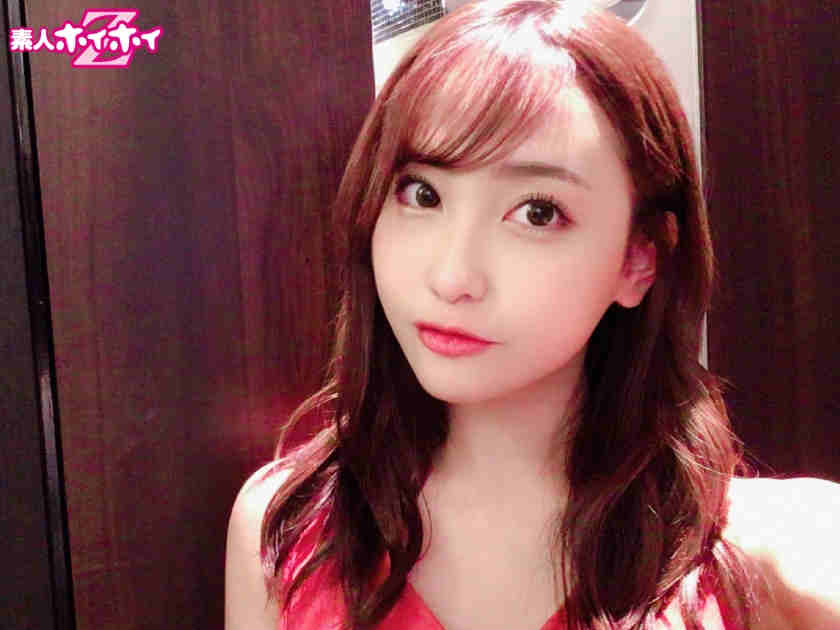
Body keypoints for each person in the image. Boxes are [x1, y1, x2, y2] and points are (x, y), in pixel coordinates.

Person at [225, 1, 840, 629]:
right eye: (422, 194)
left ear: (639, 259)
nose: (453, 277)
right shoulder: (288, 532)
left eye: (538, 213)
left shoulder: (774, 559)